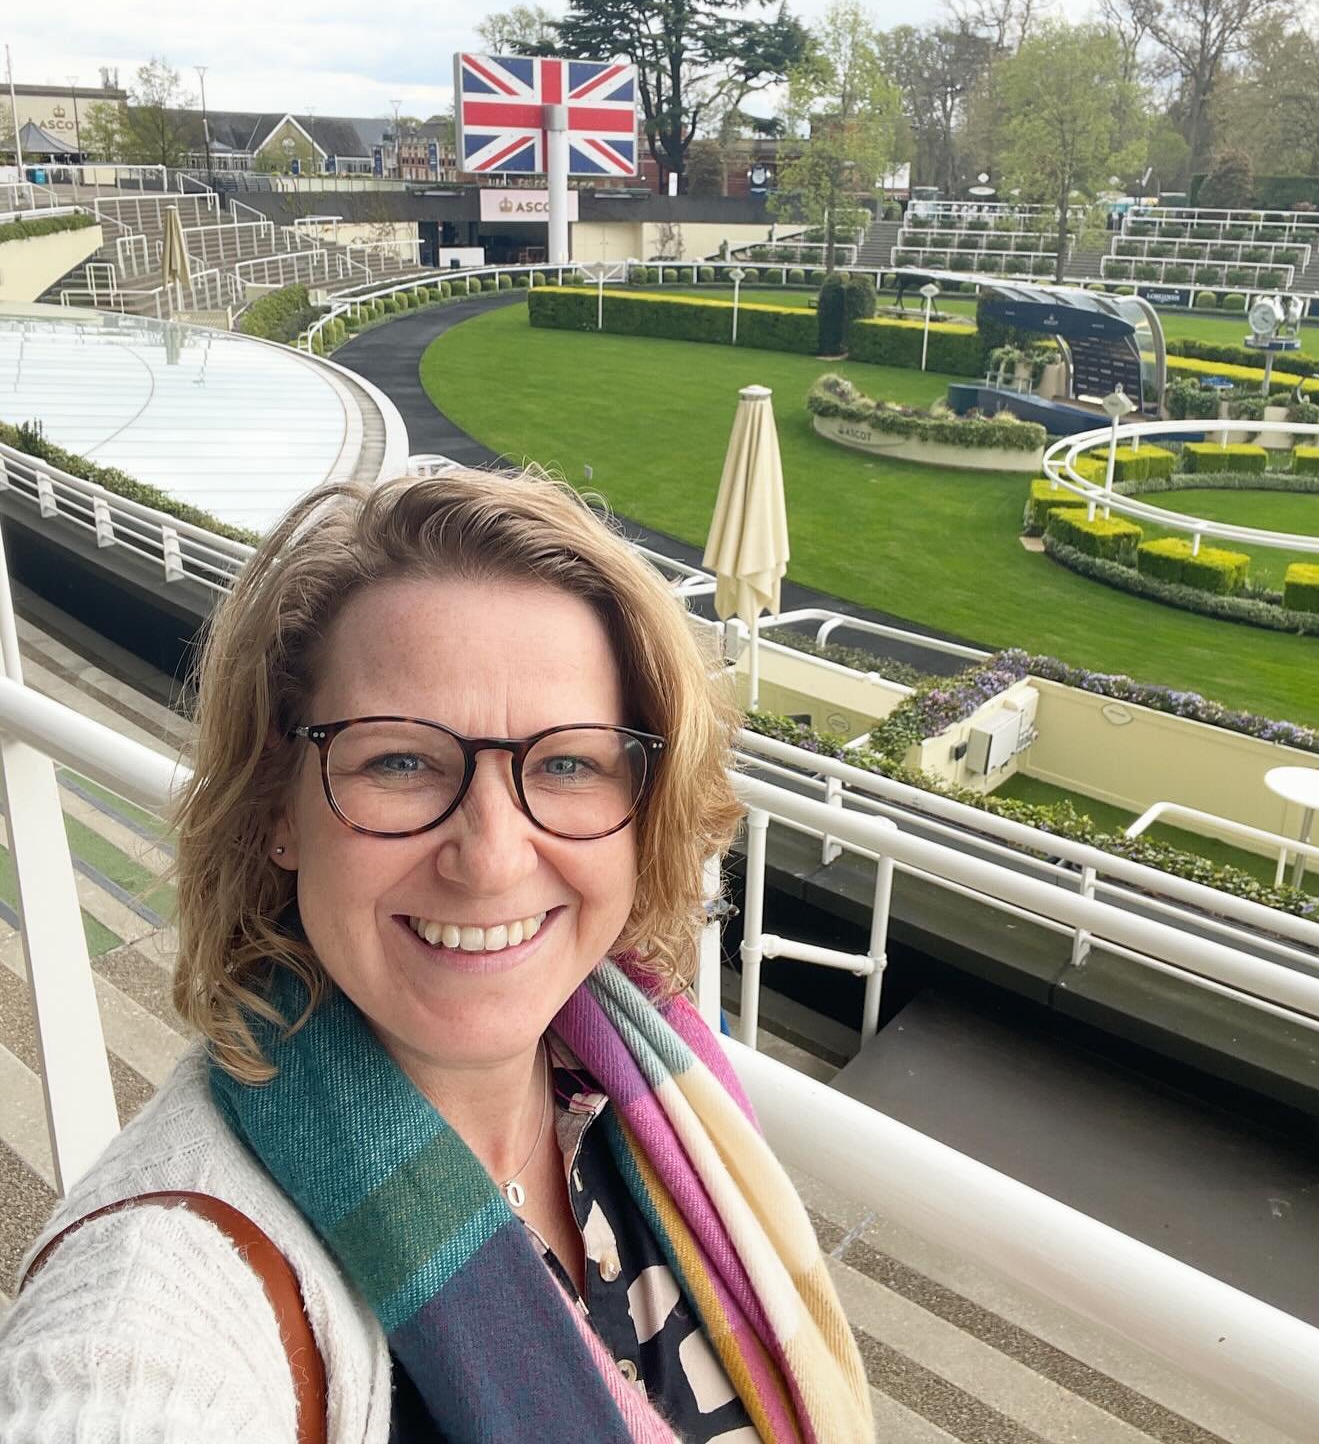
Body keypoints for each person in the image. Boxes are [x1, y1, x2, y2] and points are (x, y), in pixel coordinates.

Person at [0, 468, 873, 1442]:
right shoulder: (168, 1280)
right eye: (401, 760)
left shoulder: (636, 1088)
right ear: (277, 808)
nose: (493, 858)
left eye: (568, 762)